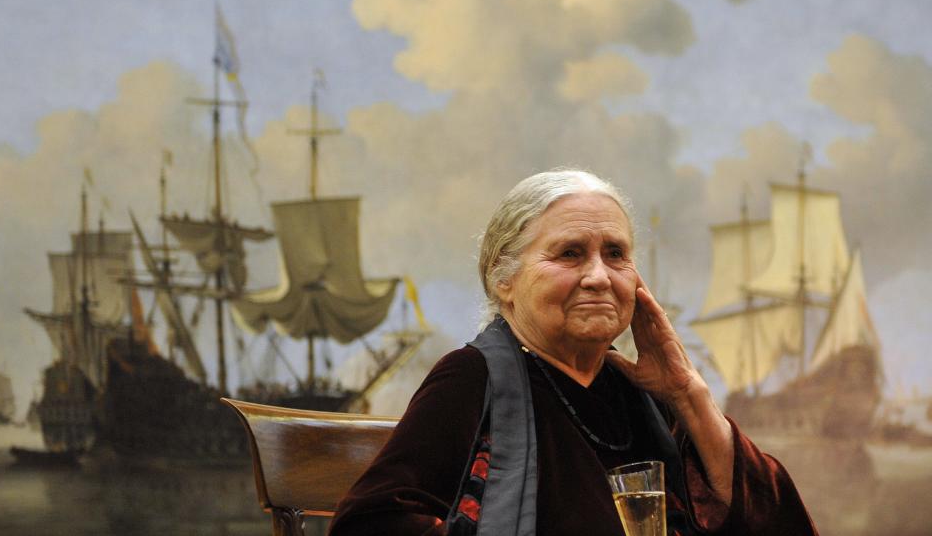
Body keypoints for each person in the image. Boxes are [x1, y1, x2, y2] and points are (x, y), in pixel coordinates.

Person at [328, 169, 818, 535]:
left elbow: (780, 526)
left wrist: (690, 395)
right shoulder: (472, 379)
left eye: (616, 254)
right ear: (505, 279)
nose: (599, 276)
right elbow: (368, 525)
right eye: (569, 253)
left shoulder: (647, 396)